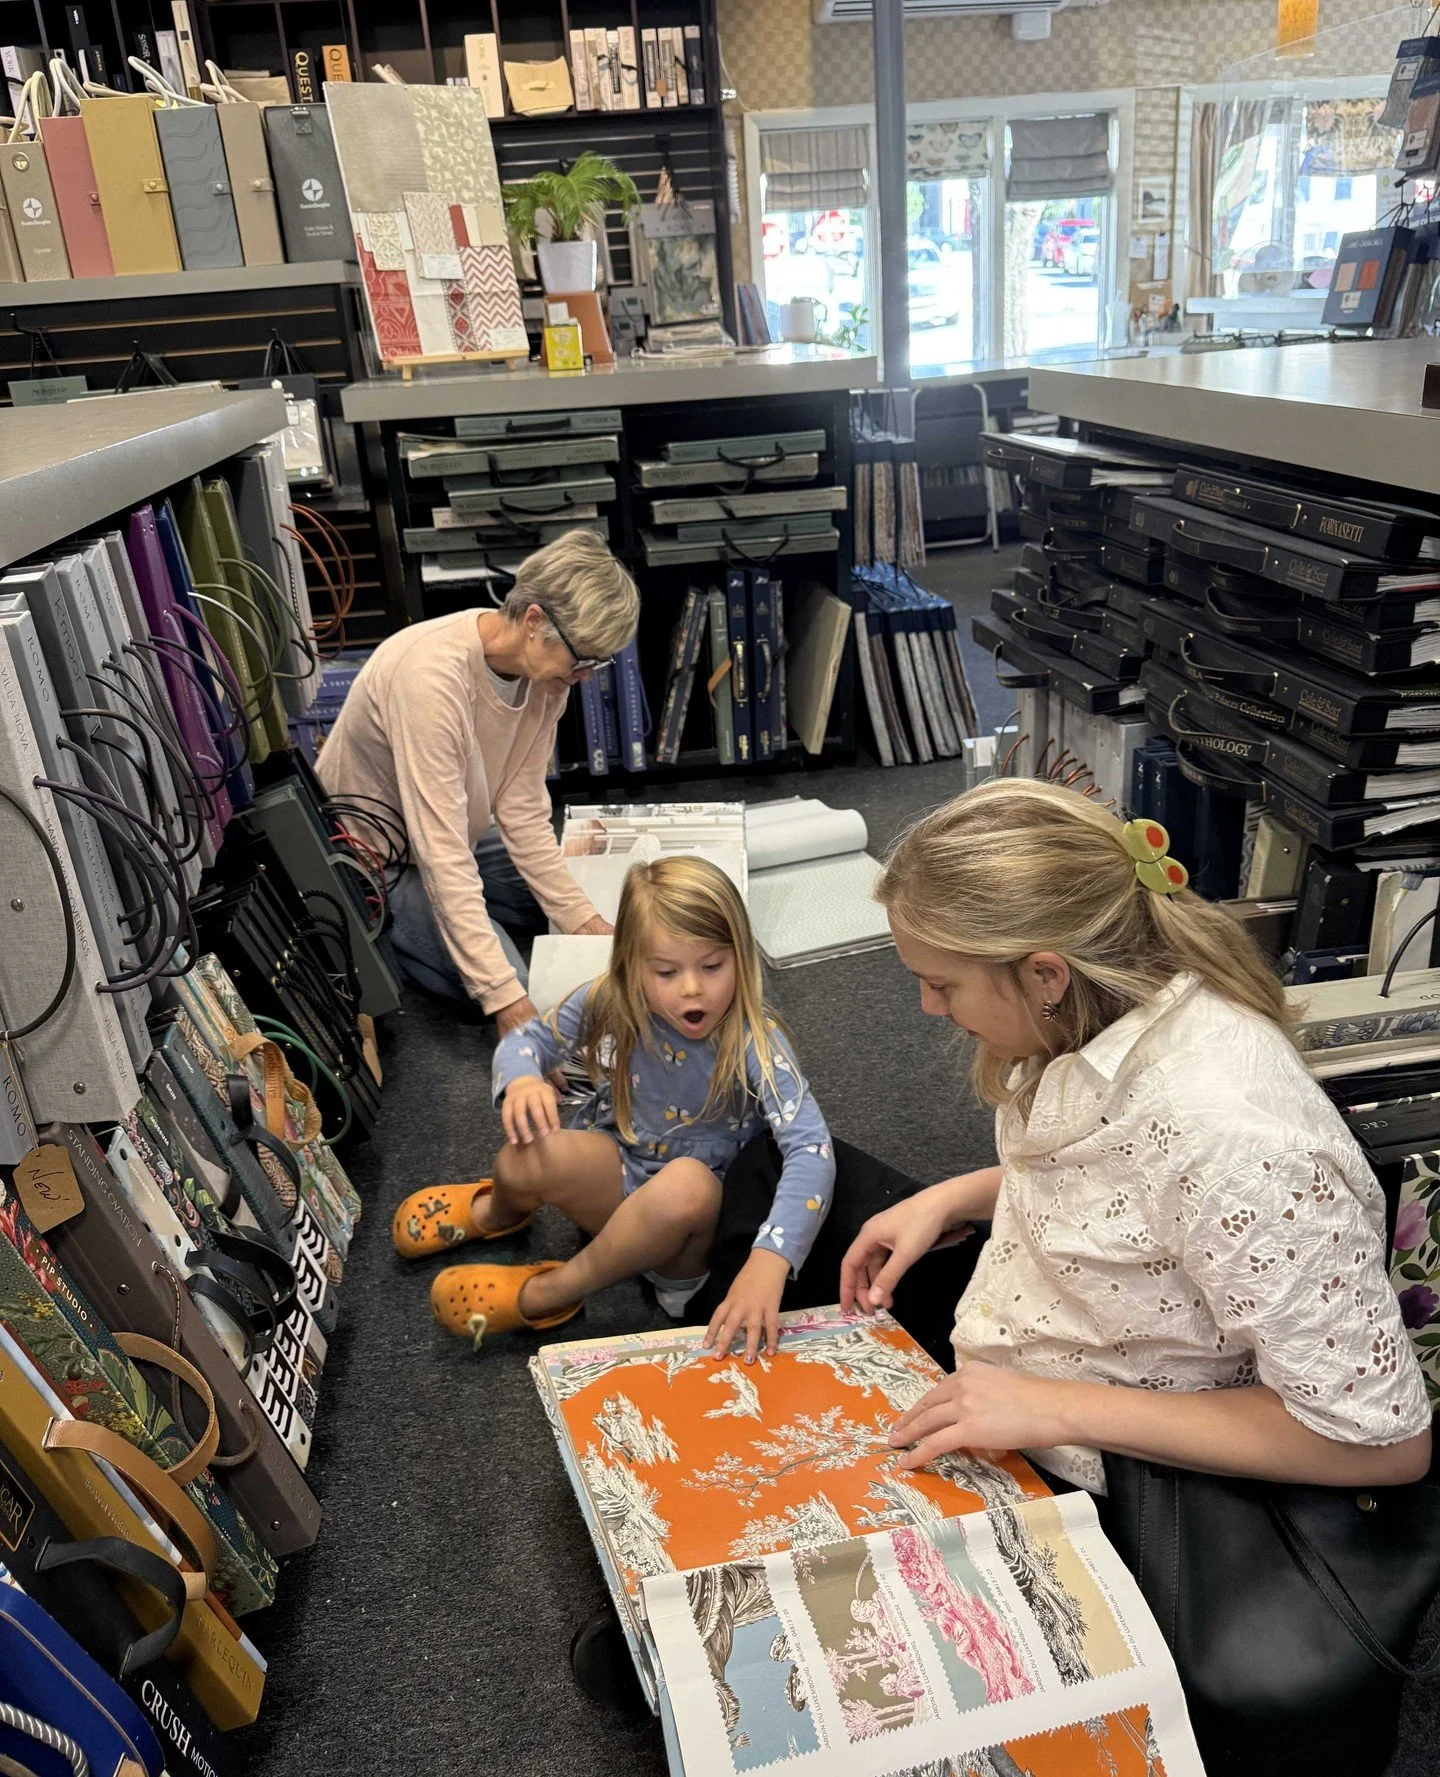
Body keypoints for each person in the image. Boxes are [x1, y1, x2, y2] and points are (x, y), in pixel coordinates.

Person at [837, 778, 1430, 1496]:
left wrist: (1054, 1407)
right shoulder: (1092, 1015)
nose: (929, 1007)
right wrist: (956, 1197)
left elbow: (1382, 1445)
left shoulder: (1242, 1148)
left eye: (941, 984)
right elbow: (1132, 1188)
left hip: (1126, 1472)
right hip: (1026, 1380)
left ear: (1045, 975)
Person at [390, 856, 836, 1354]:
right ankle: (498, 1213)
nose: (692, 987)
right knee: (525, 1156)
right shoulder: (615, 996)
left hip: (688, 1239)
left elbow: (812, 1149)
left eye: (712, 966)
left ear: (741, 958)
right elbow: (528, 1040)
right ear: (631, 964)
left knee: (685, 1183)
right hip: (621, 1181)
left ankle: (553, 1291)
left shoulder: (757, 1042)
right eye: (666, 971)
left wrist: (771, 1257)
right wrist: (522, 1081)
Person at [315, 532, 639, 1035]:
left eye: (598, 662)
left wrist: (584, 922)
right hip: (380, 858)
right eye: (583, 659)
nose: (587, 675)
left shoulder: (547, 677)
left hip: (459, 827)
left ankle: (476, 930)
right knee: (518, 993)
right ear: (534, 621)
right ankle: (393, 937)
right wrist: (504, 999)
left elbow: (523, 811)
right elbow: (442, 853)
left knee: (595, 905)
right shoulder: (429, 680)